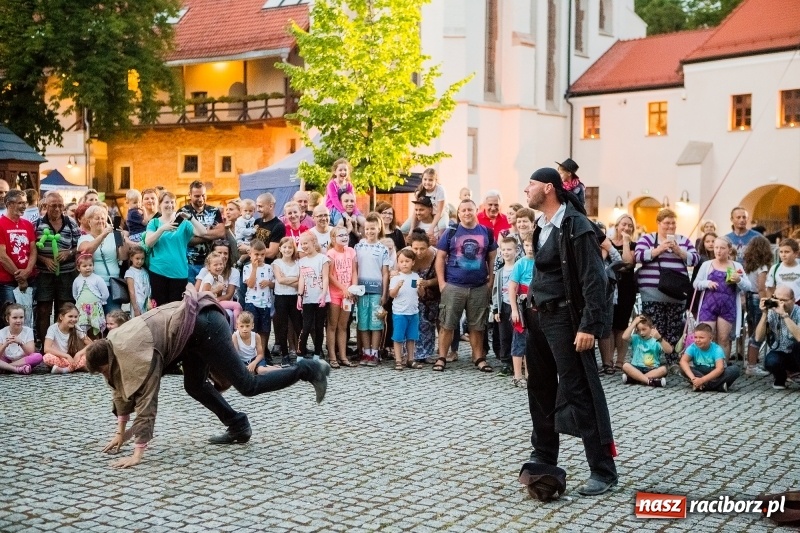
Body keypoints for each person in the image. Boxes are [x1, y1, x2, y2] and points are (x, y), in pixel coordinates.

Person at [84, 285, 330, 468]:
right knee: (194, 385)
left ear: (107, 361)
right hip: (190, 334)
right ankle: (238, 426)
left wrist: (137, 452)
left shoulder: (137, 352)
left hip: (207, 325)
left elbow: (146, 399)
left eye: (104, 370)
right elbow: (119, 386)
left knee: (248, 385)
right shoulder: (112, 343)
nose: (106, 375)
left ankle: (308, 369)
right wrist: (120, 432)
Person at [518, 167, 617, 500]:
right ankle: (544, 457)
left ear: (548, 188)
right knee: (540, 389)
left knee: (579, 391)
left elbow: (594, 279)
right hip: (539, 318)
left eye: (530, 184)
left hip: (566, 320)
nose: (526, 189)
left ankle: (603, 470)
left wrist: (589, 325)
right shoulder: (541, 226)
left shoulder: (577, 226)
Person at [433, 199, 497, 373]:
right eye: (464, 210)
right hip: (453, 286)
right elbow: (440, 258)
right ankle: (442, 357)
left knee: (477, 326)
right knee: (447, 324)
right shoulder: (451, 232)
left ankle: (478, 357)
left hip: (479, 287)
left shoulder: (486, 232)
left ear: (476, 210)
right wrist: (442, 283)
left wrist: (490, 281)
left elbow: (492, 258)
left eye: (470, 209)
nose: (467, 213)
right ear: (459, 213)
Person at [634, 208, 700, 351]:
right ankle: (652, 359)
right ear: (658, 223)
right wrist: (658, 250)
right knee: (653, 330)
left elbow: (695, 259)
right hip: (652, 293)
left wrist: (679, 251)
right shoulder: (647, 239)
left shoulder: (683, 240)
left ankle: (672, 359)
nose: (671, 226)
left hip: (676, 295)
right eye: (667, 223)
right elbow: (638, 256)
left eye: (673, 223)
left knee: (674, 332)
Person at [145, 191, 208, 306]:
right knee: (159, 309)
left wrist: (190, 218)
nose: (170, 205)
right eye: (166, 202)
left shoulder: (184, 223)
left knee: (177, 309)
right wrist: (162, 229)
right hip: (158, 270)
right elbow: (148, 243)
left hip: (179, 272)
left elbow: (203, 232)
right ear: (160, 204)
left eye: (172, 202)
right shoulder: (154, 223)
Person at [693, 237, 752, 358]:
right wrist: (707, 283)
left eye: (722, 248)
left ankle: (722, 365)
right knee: (706, 337)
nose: (718, 251)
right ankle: (705, 364)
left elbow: (748, 286)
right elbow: (696, 283)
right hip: (708, 306)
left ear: (729, 250)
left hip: (727, 307)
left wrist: (739, 280)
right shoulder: (707, 265)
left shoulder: (736, 266)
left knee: (724, 339)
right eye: (716, 248)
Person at [33, 192, 81, 342]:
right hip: (44, 273)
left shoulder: (71, 223)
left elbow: (79, 246)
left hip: (67, 273)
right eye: (54, 205)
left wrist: (69, 253)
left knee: (64, 309)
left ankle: (62, 343)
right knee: (43, 309)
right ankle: (44, 344)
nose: (58, 209)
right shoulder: (37, 224)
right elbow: (31, 250)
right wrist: (44, 260)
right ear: (45, 206)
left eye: (60, 205)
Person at [599, 213, 637, 374]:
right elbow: (602, 260)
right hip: (609, 286)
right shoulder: (607, 242)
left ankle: (620, 361)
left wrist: (626, 243)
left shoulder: (633, 245)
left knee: (622, 324)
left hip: (626, 287)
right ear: (617, 226)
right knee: (609, 324)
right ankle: (608, 362)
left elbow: (627, 264)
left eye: (630, 226)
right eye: (624, 224)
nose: (626, 228)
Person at [354, 213, 390, 366]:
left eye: (373, 228)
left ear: (379, 228)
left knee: (376, 323)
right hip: (361, 291)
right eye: (367, 229)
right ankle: (366, 352)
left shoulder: (383, 249)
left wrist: (384, 293)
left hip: (376, 291)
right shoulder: (358, 247)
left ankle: (375, 353)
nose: (369, 231)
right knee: (363, 323)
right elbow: (355, 269)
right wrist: (354, 289)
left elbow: (385, 273)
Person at [0, 190, 37, 325]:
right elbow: (2, 256)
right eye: (20, 203)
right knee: (10, 317)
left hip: (29, 279)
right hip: (7, 281)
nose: (24, 206)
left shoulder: (27, 224)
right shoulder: (1, 224)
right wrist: (20, 277)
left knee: (27, 317)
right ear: (9, 204)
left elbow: (33, 250)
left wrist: (27, 271)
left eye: (25, 203)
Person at [77, 205, 123, 313]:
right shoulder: (84, 238)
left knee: (113, 316)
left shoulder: (113, 236)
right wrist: (103, 235)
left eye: (103, 218)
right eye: (97, 218)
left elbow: (123, 256)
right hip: (93, 285)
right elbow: (87, 251)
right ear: (89, 221)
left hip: (113, 283)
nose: (101, 221)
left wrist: (121, 238)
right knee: (95, 317)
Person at [754, 284, 800, 389]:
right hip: (781, 352)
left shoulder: (798, 312)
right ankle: (780, 378)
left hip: (797, 353)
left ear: (793, 300)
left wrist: (785, 316)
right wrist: (764, 314)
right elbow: (758, 338)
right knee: (771, 361)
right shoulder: (772, 312)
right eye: (776, 299)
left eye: (783, 300)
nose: (779, 303)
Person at [179, 181, 226, 283]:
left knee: (209, 291)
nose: (200, 199)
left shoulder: (214, 211)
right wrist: (211, 234)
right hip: (189, 263)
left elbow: (221, 233)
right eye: (197, 196)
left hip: (211, 263)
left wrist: (198, 233)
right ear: (190, 195)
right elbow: (186, 240)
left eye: (203, 195)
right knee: (191, 292)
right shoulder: (183, 212)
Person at [326, 226, 357, 368]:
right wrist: (343, 288)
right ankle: (332, 356)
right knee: (332, 325)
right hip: (335, 293)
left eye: (346, 235)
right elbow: (330, 275)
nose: (344, 237)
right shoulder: (331, 254)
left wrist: (353, 288)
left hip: (348, 294)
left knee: (343, 326)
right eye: (340, 235)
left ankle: (343, 356)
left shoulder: (351, 251)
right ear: (333, 239)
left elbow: (354, 271)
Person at [742, 236, 773, 376]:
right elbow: (761, 287)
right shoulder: (762, 267)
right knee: (759, 332)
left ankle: (750, 360)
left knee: (752, 329)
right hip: (757, 298)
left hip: (749, 297)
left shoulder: (749, 266)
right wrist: (766, 303)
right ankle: (752, 365)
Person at [297, 232, 330, 360]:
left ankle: (317, 354)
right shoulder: (302, 261)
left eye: (306, 243)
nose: (303, 246)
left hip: (321, 297)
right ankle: (300, 354)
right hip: (308, 298)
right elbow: (302, 279)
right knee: (306, 327)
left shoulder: (323, 259)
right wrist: (299, 296)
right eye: (302, 244)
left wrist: (323, 294)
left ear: (313, 242)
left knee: (319, 326)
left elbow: (326, 277)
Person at [679, 323, 740, 392]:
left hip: (715, 374)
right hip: (700, 373)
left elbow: (719, 369)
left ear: (710, 338)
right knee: (682, 368)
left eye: (701, 338)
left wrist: (702, 380)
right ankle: (719, 386)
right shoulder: (692, 347)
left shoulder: (717, 349)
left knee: (735, 369)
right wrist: (693, 378)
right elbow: (683, 361)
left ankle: (702, 385)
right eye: (695, 337)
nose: (697, 340)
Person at [508, 234, 535, 387]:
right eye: (527, 245)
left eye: (532, 245)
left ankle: (530, 374)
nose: (530, 249)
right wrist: (514, 310)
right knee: (519, 341)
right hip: (521, 307)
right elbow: (512, 287)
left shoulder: (540, 262)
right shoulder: (520, 264)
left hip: (536, 306)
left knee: (532, 342)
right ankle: (517, 375)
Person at [242, 240, 275, 364]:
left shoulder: (269, 268)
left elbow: (273, 285)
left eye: (262, 254)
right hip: (251, 302)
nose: (259, 257)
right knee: (253, 329)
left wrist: (269, 283)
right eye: (256, 254)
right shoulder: (247, 268)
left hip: (265, 303)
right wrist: (254, 269)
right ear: (250, 254)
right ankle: (252, 355)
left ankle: (262, 355)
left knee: (264, 330)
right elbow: (250, 284)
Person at [408, 229, 439, 366]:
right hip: (411, 296)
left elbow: (442, 277)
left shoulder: (436, 255)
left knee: (427, 325)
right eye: (415, 248)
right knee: (412, 324)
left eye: (422, 249)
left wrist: (427, 283)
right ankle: (411, 354)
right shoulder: (405, 254)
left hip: (430, 295)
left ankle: (426, 353)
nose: (419, 252)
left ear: (428, 246)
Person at [388, 248, 421, 370]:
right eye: (401, 261)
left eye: (407, 261)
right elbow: (392, 294)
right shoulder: (396, 277)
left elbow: (420, 293)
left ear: (413, 262)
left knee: (411, 337)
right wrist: (397, 286)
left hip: (413, 312)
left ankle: (410, 359)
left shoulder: (415, 276)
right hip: (400, 312)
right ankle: (398, 359)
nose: (404, 264)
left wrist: (420, 287)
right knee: (398, 337)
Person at [272, 237, 302, 367]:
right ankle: (285, 355)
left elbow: (301, 282)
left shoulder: (298, 263)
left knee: (298, 326)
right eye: (285, 247)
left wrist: (287, 279)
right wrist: (295, 279)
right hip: (281, 297)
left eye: (290, 247)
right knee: (283, 327)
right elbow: (280, 280)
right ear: (280, 249)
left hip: (294, 297)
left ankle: (300, 353)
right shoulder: (277, 263)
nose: (287, 249)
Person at [620, 315, 671, 387]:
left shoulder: (656, 340)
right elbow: (624, 337)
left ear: (652, 328)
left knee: (664, 370)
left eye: (644, 329)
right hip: (636, 368)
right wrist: (634, 322)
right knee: (625, 366)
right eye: (638, 330)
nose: (641, 333)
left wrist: (659, 338)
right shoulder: (635, 338)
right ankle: (649, 381)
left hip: (652, 369)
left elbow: (669, 351)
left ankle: (635, 379)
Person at [42, 302, 92, 374]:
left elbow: (90, 344)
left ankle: (66, 369)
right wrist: (66, 356)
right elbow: (47, 348)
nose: (73, 319)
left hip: (74, 358)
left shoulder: (76, 328)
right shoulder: (53, 328)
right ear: (61, 317)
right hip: (61, 358)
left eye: (76, 317)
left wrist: (79, 354)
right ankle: (77, 367)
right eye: (70, 316)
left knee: (89, 355)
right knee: (47, 358)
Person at [200, 251, 242, 324]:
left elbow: (219, 296)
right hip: (207, 303)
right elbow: (203, 295)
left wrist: (221, 289)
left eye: (221, 264)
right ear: (209, 267)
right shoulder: (209, 278)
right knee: (237, 305)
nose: (219, 267)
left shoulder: (220, 277)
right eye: (215, 265)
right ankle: (237, 328)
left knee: (235, 308)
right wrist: (217, 289)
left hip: (215, 301)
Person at [72, 253, 108, 337]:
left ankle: (96, 342)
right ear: (78, 268)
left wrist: (101, 301)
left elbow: (105, 293)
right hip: (81, 308)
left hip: (95, 308)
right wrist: (79, 302)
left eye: (90, 265)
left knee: (95, 328)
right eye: (84, 266)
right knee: (81, 329)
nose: (88, 268)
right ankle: (83, 343)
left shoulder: (97, 279)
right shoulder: (77, 280)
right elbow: (75, 293)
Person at [0, 303, 42, 374]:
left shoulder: (28, 331)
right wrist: (5, 344)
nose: (18, 320)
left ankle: (6, 367)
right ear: (7, 319)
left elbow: (31, 352)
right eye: (15, 318)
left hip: (23, 360)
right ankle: (17, 369)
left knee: (38, 356)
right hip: (7, 359)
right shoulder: (2, 332)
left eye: (21, 317)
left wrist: (20, 342)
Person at [407, 168, 447, 236]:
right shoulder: (420, 191)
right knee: (404, 228)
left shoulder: (440, 190)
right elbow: (416, 210)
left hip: (440, 213)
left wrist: (431, 228)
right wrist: (412, 228)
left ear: (436, 180)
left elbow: (439, 212)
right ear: (422, 179)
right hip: (426, 213)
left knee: (443, 226)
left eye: (430, 180)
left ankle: (441, 242)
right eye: (425, 179)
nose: (427, 182)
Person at [124, 246, 152, 317]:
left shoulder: (145, 271)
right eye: (137, 258)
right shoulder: (130, 272)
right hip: (137, 304)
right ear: (131, 258)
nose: (140, 261)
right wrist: (135, 309)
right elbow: (131, 292)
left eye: (142, 259)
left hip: (147, 303)